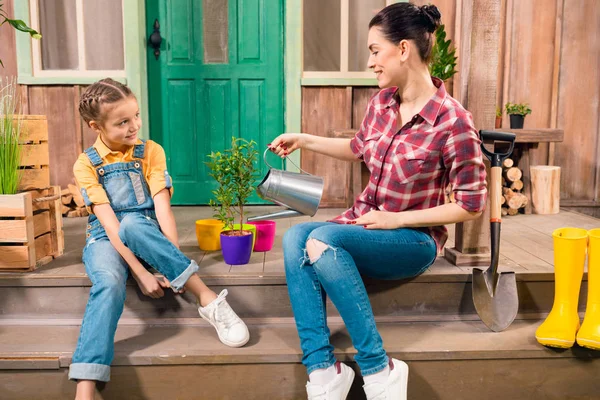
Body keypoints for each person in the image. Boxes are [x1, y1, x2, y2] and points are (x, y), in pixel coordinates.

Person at [269, 3, 487, 399]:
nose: (370, 62)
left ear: (403, 49)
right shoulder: (382, 104)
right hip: (366, 224)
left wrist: (397, 220)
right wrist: (303, 139)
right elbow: (357, 148)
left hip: (413, 240)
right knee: (294, 237)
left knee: (322, 240)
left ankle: (378, 368)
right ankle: (323, 371)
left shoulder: (453, 121)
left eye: (374, 50)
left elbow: (471, 205)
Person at [70, 78, 249, 400]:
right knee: (108, 284)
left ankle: (207, 299)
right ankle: (86, 385)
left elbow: (164, 211)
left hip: (145, 231)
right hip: (105, 238)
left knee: (135, 226)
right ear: (95, 125)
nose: (134, 126)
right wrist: (139, 272)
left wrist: (167, 260)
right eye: (122, 122)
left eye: (136, 116)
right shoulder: (86, 164)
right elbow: (110, 224)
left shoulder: (150, 151)